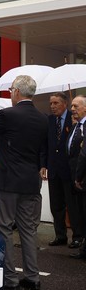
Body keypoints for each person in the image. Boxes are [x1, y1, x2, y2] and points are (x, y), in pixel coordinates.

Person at [0, 75, 47, 290]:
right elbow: (43, 150)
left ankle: (9, 278)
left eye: (11, 91)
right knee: (28, 230)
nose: (10, 95)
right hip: (30, 182)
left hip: (8, 181)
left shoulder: (7, 114)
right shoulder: (42, 118)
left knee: (4, 229)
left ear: (17, 92)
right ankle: (32, 277)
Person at [40, 92, 81, 248]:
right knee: (56, 205)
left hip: (69, 172)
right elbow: (44, 145)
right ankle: (60, 235)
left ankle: (77, 236)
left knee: (72, 206)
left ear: (65, 104)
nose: (52, 106)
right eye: (51, 103)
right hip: (54, 170)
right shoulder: (49, 121)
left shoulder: (74, 118)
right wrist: (43, 165)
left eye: (56, 103)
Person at [69, 95, 86, 259]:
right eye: (72, 106)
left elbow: (84, 154)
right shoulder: (77, 126)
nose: (72, 109)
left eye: (76, 106)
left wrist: (78, 177)